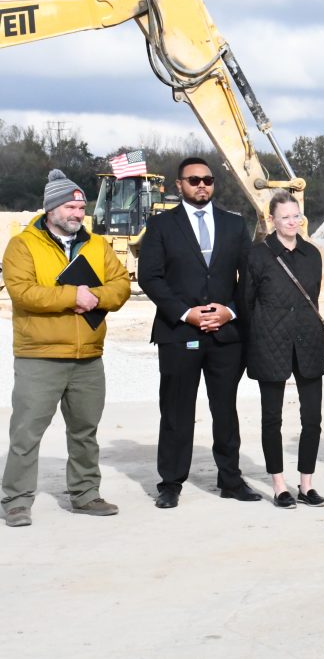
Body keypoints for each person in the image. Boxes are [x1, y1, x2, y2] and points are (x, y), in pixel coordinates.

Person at [1, 170, 131, 527]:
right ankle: (16, 499)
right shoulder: (22, 245)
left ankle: (86, 495)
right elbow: (23, 292)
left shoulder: (97, 245)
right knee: (26, 433)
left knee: (84, 432)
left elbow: (120, 285)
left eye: (81, 207)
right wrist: (72, 295)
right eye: (71, 206)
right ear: (51, 208)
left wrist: (94, 298)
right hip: (39, 356)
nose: (78, 213)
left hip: (88, 357)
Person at [138, 156, 259, 509]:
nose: (201, 185)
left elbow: (248, 277)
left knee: (225, 410)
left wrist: (230, 311)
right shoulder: (161, 225)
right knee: (176, 410)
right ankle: (171, 483)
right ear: (180, 185)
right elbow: (151, 276)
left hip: (226, 335)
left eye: (207, 179)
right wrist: (187, 314)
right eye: (193, 180)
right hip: (178, 333)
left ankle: (231, 480)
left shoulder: (235, 225)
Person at [244, 191, 324, 509]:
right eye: (285, 217)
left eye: (296, 216)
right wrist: (260, 336)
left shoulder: (312, 255)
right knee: (271, 418)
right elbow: (247, 301)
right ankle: (279, 484)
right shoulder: (257, 255)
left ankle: (306, 484)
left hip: (308, 343)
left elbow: (314, 297)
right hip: (270, 343)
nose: (292, 222)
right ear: (271, 220)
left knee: (313, 419)